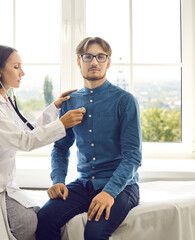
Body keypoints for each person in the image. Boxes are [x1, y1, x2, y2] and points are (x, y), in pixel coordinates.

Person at [0, 45, 86, 240]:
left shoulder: (5, 100)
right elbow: (23, 141)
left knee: (31, 219)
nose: (22, 72)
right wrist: (61, 124)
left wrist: (54, 108)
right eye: (16, 67)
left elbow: (26, 130)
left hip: (1, 185)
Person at [36, 37, 142, 240]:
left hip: (122, 186)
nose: (94, 62)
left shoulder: (125, 101)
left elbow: (133, 157)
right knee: (44, 218)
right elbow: (60, 148)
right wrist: (58, 181)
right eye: (88, 56)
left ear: (108, 62)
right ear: (79, 62)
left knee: (94, 232)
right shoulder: (70, 102)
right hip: (85, 183)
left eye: (101, 57)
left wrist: (109, 193)